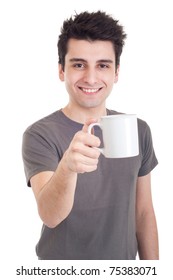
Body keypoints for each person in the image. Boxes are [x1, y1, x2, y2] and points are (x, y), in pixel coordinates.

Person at [22, 11, 159, 260]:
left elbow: (143, 212)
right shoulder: (40, 134)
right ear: (62, 70)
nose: (91, 78)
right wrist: (67, 168)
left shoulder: (139, 130)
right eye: (78, 64)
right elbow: (50, 216)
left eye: (103, 65)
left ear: (116, 72)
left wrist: (155, 272)